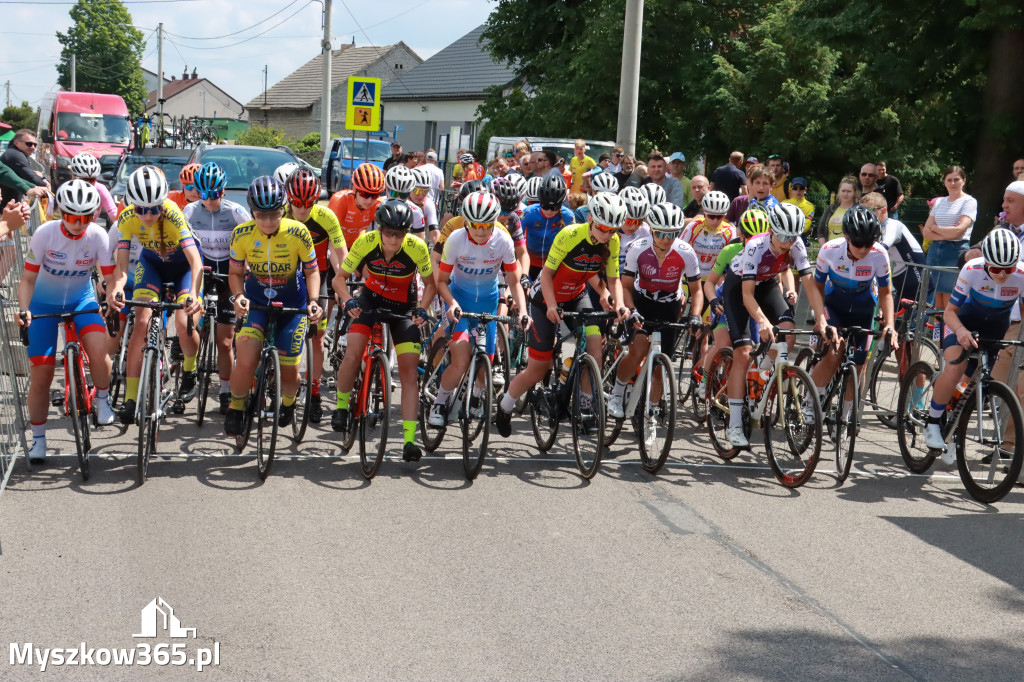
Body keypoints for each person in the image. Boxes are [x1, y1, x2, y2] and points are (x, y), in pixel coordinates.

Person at [494, 192, 631, 437]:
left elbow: (613, 279)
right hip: (545, 296)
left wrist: (615, 301)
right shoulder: (569, 235)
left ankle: (587, 404)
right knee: (539, 368)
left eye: (613, 230)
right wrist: (550, 305)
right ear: (590, 219)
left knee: (595, 350)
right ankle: (504, 407)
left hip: (577, 295)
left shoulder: (612, 241)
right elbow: (546, 275)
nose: (607, 234)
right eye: (602, 227)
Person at [17, 180, 115, 462]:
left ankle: (102, 400)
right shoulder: (45, 233)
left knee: (100, 352)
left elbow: (108, 277)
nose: (78, 224)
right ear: (60, 212)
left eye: (85, 217)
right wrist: (24, 309)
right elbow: (27, 280)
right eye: (72, 217)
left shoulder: (97, 235)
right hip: (42, 304)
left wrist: (111, 294)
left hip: (80, 301)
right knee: (42, 374)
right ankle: (38, 439)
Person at [333, 200, 436, 462]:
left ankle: (409, 441)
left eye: (400, 234)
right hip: (370, 300)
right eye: (388, 232)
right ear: (380, 229)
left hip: (405, 307)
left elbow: (430, 284)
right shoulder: (365, 241)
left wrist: (422, 309)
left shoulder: (417, 247)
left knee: (409, 373)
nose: (393, 239)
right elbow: (338, 279)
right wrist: (349, 300)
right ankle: (342, 407)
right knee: (354, 352)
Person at [720, 203, 826, 448]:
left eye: (792, 237)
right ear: (771, 230)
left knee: (787, 336)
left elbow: (809, 285)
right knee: (743, 353)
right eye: (782, 237)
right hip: (739, 288)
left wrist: (821, 319)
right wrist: (763, 322)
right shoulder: (755, 246)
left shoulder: (796, 245)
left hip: (766, 284)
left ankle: (761, 375)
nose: (787, 243)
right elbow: (747, 295)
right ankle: (734, 424)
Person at [224, 176, 322, 435]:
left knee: (290, 369)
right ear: (252, 211)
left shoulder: (298, 232)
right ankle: (236, 407)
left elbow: (312, 272)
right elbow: (234, 274)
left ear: (284, 208)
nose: (268, 221)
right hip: (256, 302)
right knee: (245, 358)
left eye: (275, 214)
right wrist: (238, 296)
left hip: (293, 304)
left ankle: (289, 402)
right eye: (261, 215)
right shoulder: (241, 234)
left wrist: (313, 301)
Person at [106, 166, 203, 423]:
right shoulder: (127, 218)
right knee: (141, 322)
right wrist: (116, 288)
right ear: (132, 205)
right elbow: (123, 268)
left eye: (154, 209)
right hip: (152, 266)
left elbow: (196, 263)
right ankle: (130, 398)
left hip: (182, 267)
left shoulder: (173, 214)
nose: (147, 216)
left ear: (163, 204)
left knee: (184, 324)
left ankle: (191, 370)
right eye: (141, 209)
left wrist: (193, 293)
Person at [428, 192, 530, 426]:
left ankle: (475, 399)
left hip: (488, 301)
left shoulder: (503, 240)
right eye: (476, 226)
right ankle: (440, 402)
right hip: (459, 300)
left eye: (487, 226)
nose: (481, 231)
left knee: (487, 363)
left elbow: (514, 281)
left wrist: (522, 310)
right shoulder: (455, 239)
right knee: (461, 359)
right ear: (466, 222)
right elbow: (441, 281)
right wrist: (452, 304)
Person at [924, 229, 1024, 461]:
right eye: (995, 268)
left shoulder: (1021, 274)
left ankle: (952, 424)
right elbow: (950, 312)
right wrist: (960, 331)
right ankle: (932, 422)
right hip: (962, 322)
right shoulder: (972, 269)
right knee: (955, 368)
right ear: (986, 261)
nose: (1001, 274)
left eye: (1007, 269)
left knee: (972, 382)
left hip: (994, 328)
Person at [609, 202, 703, 425]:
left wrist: (696, 315)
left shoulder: (686, 252)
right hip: (642, 302)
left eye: (672, 233)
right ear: (651, 230)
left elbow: (697, 289)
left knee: (662, 364)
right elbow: (625, 286)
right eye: (660, 232)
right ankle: (617, 392)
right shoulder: (638, 248)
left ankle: (651, 408)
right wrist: (631, 310)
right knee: (639, 349)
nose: (665, 238)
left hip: (670, 305)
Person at [805, 206, 898, 420]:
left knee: (859, 364)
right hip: (834, 306)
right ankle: (810, 401)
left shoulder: (879, 254)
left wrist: (890, 324)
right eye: (858, 243)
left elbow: (885, 293)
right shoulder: (829, 249)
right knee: (835, 353)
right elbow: (817, 288)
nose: (864, 249)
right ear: (847, 238)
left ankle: (846, 415)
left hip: (862, 308)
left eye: (869, 243)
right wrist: (820, 319)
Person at [182, 163, 252, 414]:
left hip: (229, 276)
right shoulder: (189, 212)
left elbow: (252, 244)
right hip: (203, 272)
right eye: (203, 194)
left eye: (215, 194)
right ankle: (187, 366)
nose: (209, 200)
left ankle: (224, 391)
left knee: (225, 341)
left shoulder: (236, 213)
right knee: (189, 322)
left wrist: (250, 269)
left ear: (223, 191)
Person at [283, 168, 345, 423]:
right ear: (288, 198)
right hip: (284, 276)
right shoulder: (279, 215)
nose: (301, 208)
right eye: (296, 202)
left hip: (315, 276)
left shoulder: (326, 216)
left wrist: (343, 286)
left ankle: (316, 392)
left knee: (317, 336)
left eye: (308, 203)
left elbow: (342, 254)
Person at [922, 165, 977, 309]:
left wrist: (935, 228)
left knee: (949, 296)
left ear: (963, 181)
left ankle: (947, 330)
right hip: (935, 250)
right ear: (944, 182)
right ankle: (934, 330)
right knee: (934, 295)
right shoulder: (940, 202)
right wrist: (946, 232)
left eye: (956, 179)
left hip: (955, 250)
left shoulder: (969, 202)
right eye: (949, 180)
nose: (953, 183)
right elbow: (926, 232)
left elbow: (958, 231)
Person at [861, 192, 923, 304]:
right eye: (862, 211)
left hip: (917, 281)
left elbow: (884, 245)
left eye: (870, 210)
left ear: (884, 210)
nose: (865, 215)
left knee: (915, 320)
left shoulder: (893, 224)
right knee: (894, 319)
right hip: (900, 282)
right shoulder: (874, 228)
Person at [520, 175, 574, 279]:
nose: (549, 211)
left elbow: (572, 244)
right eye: (545, 206)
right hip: (530, 264)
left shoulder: (569, 216)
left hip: (554, 266)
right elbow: (516, 240)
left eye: (554, 207)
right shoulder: (528, 213)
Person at [681, 191, 736, 281]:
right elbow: (679, 249)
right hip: (692, 276)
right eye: (711, 216)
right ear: (704, 212)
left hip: (715, 279)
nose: (715, 221)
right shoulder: (694, 226)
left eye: (720, 217)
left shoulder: (730, 231)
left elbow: (732, 259)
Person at [328, 163, 385, 249]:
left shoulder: (378, 204)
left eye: (375, 195)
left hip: (356, 245)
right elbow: (333, 240)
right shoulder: (340, 201)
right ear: (354, 189)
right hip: (332, 244)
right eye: (364, 194)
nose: (369, 200)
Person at [0, 129, 47, 207]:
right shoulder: (15, 155)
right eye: (29, 144)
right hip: (6, 205)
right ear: (16, 142)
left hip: (9, 204)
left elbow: (9, 174)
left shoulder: (16, 153)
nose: (33, 147)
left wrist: (32, 187)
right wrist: (44, 182)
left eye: (35, 145)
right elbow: (31, 177)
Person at [68, 153, 117, 224]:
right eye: (83, 180)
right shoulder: (67, 189)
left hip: (89, 230)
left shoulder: (100, 188)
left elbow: (113, 211)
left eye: (92, 180)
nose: (88, 183)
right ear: (73, 177)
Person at [815, 176, 860, 245]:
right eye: (843, 191)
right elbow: (821, 232)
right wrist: (824, 248)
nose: (845, 194)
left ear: (854, 193)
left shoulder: (858, 210)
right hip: (829, 250)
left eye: (849, 191)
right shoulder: (830, 209)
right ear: (838, 191)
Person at [410, 167, 440, 244]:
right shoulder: (400, 201)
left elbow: (435, 233)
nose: (421, 195)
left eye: (425, 191)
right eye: (417, 190)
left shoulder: (428, 204)